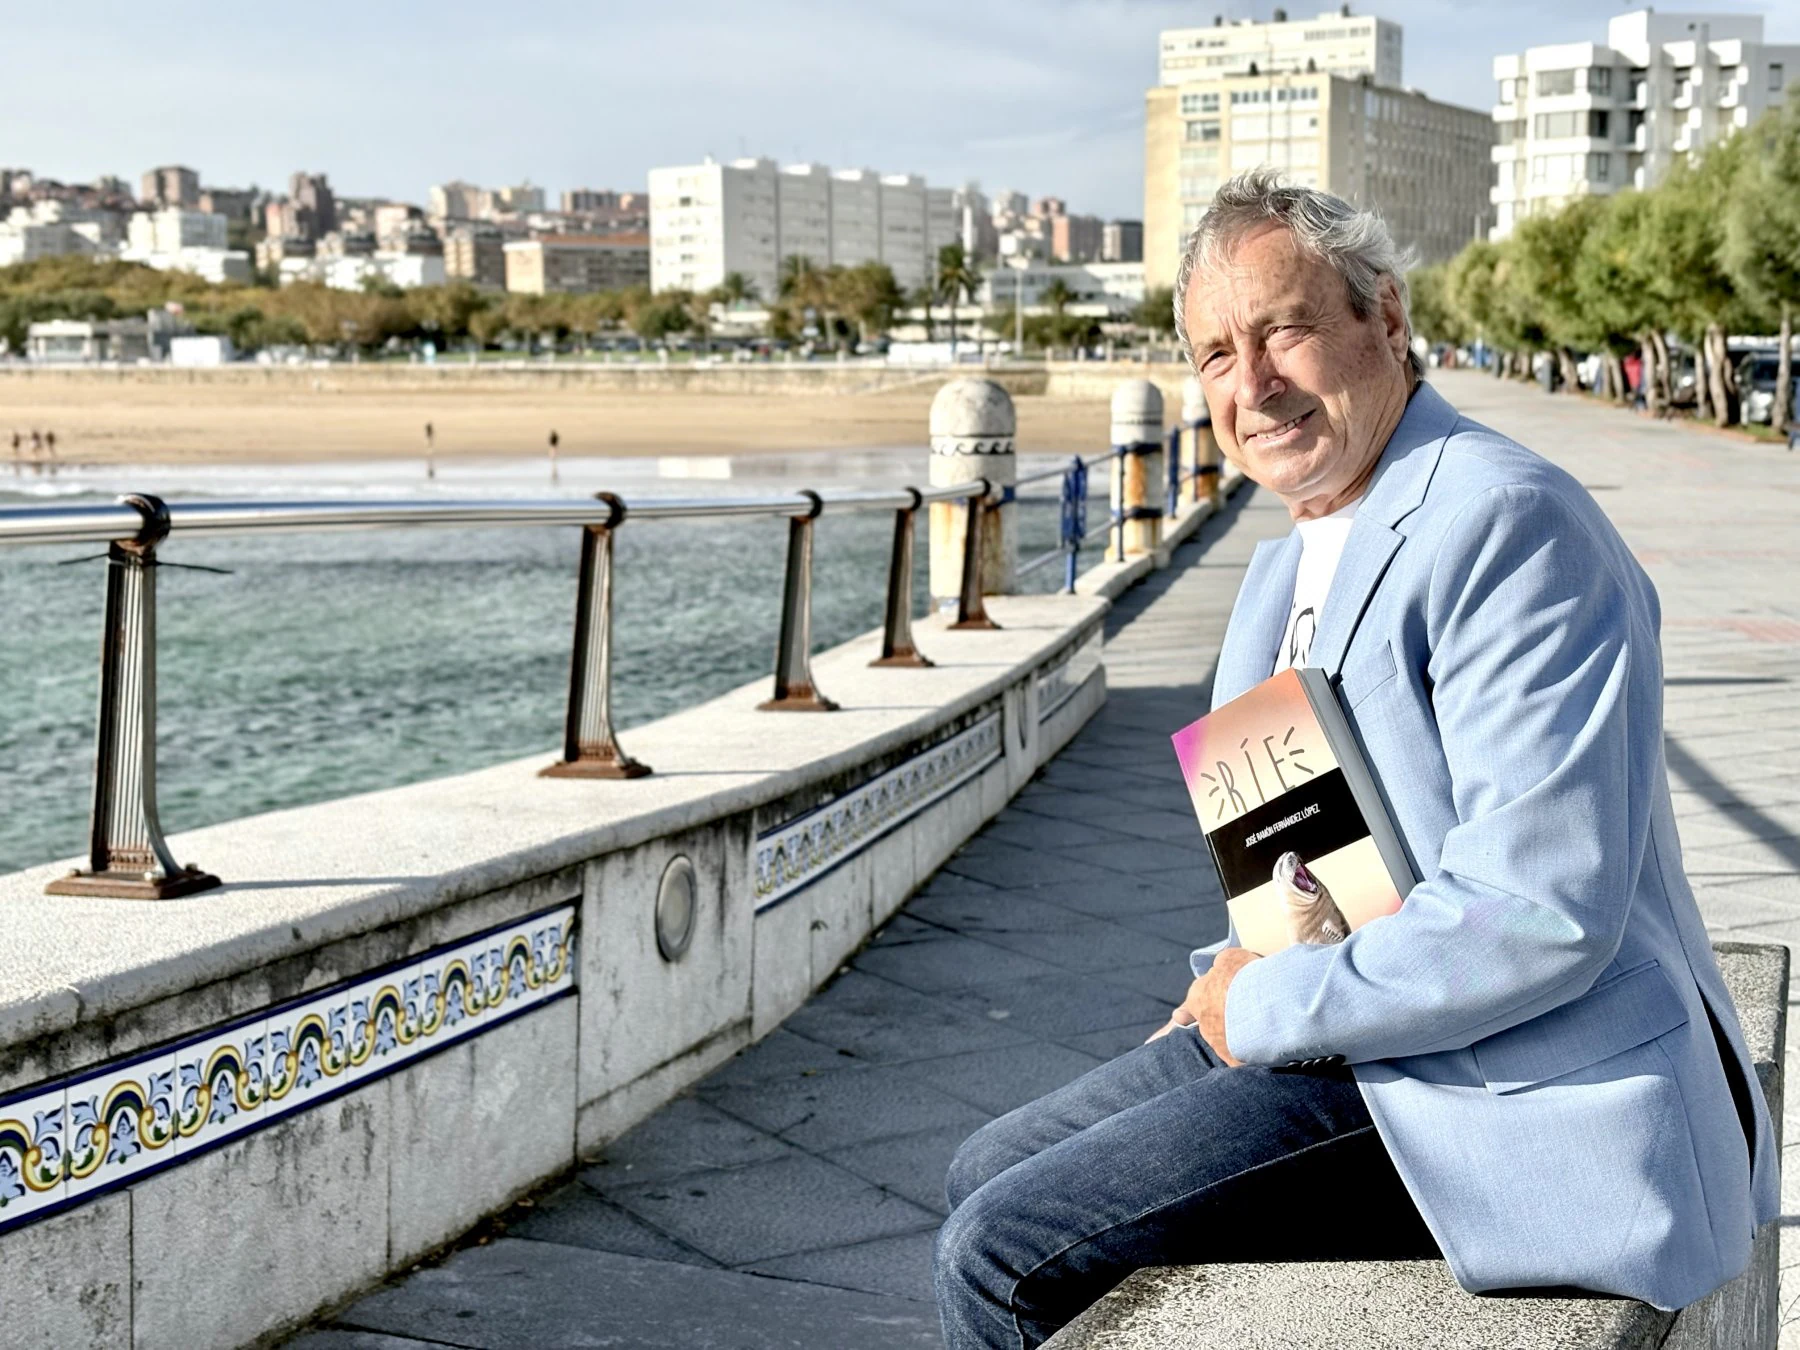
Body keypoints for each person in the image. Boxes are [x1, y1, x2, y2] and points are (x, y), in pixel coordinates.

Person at [932, 170, 1776, 1350]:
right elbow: (1294, 865)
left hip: (1508, 1077)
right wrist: (1228, 977)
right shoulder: (1281, 569)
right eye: (1216, 354)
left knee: (1005, 1252)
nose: (1252, 384)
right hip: (1359, 1029)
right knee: (985, 1163)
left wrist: (1259, 1002)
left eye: (1283, 329)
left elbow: (1539, 913)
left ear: (1386, 317)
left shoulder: (1507, 525)